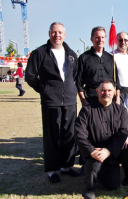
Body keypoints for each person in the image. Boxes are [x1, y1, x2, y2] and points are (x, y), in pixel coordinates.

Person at [25, 22, 80, 183]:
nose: (57, 35)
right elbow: (30, 76)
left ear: (65, 34)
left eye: (60, 32)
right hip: (51, 101)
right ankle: (52, 169)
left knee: (69, 135)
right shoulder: (40, 53)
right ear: (49, 33)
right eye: (54, 32)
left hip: (70, 100)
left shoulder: (71, 54)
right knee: (53, 135)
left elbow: (74, 75)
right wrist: (44, 89)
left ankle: (67, 166)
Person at [75, 79, 128, 199]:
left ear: (114, 92)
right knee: (94, 165)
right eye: (103, 90)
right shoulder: (87, 110)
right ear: (97, 91)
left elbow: (123, 132)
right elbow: (79, 133)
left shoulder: (121, 110)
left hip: (111, 154)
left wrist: (108, 151)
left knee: (112, 186)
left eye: (109, 90)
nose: (106, 93)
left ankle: (101, 173)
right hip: (94, 153)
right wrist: (92, 151)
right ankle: (90, 187)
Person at [76, 26, 121, 106]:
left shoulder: (111, 58)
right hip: (90, 100)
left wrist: (117, 99)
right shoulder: (84, 58)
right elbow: (79, 83)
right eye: (97, 37)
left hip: (109, 100)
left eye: (102, 37)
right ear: (92, 39)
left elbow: (116, 82)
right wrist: (83, 100)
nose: (100, 40)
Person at [113, 32, 128, 103]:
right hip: (116, 93)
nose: (123, 42)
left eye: (125, 40)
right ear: (116, 41)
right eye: (120, 40)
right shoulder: (111, 56)